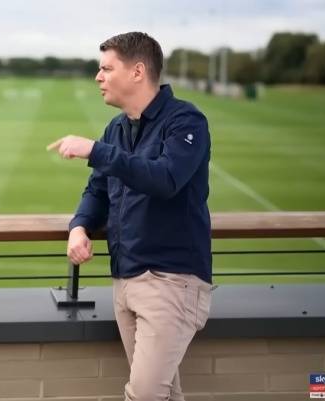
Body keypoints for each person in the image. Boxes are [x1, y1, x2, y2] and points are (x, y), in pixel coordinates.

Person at [47, 32, 213, 401]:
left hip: (171, 281)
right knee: (162, 394)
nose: (98, 76)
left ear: (137, 72)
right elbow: (97, 191)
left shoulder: (186, 121)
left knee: (144, 394)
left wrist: (96, 151)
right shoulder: (116, 128)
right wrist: (79, 226)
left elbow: (165, 179)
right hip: (125, 279)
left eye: (106, 68)